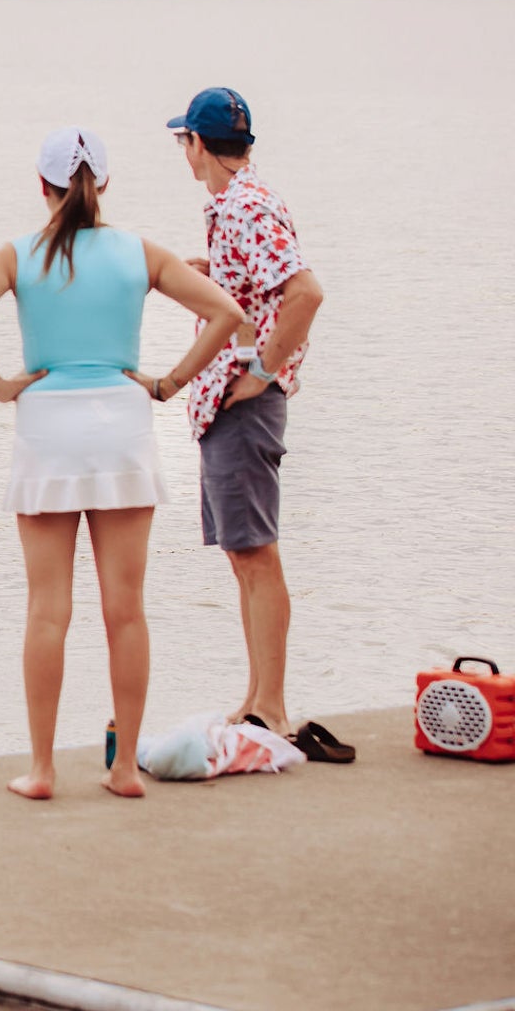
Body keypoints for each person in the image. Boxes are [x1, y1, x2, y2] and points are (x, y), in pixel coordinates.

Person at [0, 129, 247, 799]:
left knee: (48, 609)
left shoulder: (19, 256)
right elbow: (225, 311)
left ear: (41, 184)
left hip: (47, 429)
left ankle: (43, 771)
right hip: (123, 426)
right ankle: (126, 768)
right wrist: (166, 384)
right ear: (102, 185)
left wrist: (0, 385)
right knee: (125, 610)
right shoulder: (140, 252)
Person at [167, 88, 325, 738]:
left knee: (255, 553)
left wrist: (263, 372)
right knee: (243, 553)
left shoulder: (245, 207)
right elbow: (261, 285)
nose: (184, 151)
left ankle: (272, 706)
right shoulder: (238, 205)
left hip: (242, 404)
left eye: (184, 141)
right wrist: (208, 272)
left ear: (199, 145)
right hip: (228, 403)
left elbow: (306, 293)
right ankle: (258, 697)